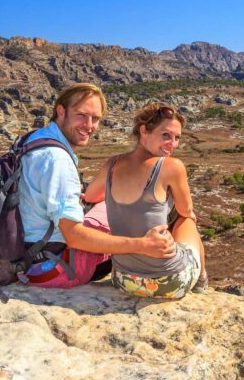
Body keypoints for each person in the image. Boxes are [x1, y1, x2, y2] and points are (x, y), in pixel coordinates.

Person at [18, 83, 176, 286]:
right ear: (61, 111)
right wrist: (142, 245)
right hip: (51, 267)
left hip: (25, 252)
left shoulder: (35, 139)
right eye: (81, 115)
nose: (89, 125)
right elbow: (74, 237)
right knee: (137, 214)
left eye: (96, 119)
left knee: (106, 205)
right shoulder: (57, 160)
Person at [85, 102, 207, 298]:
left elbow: (91, 196)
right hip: (170, 282)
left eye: (177, 138)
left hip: (123, 280)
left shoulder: (112, 164)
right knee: (187, 221)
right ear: (144, 131)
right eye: (166, 135)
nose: (173, 144)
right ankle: (201, 279)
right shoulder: (172, 166)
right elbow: (186, 211)